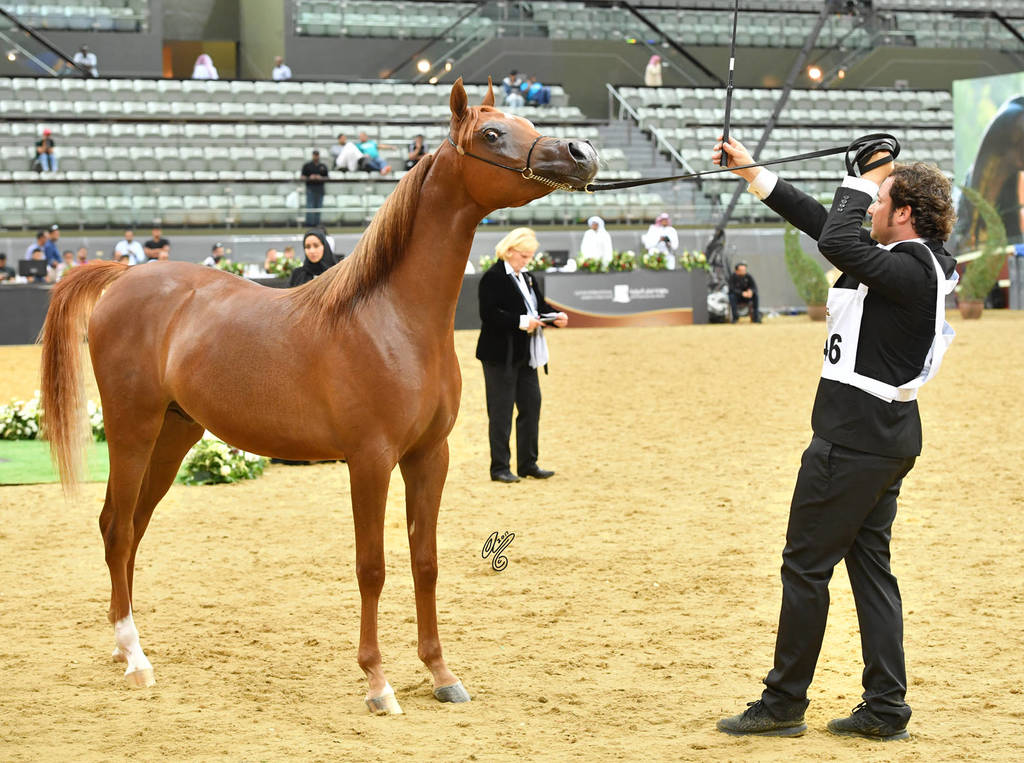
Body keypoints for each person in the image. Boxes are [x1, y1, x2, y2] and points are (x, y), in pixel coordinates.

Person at [712, 133, 958, 741]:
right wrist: (753, 174)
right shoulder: (913, 263)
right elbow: (826, 226)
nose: (871, 208)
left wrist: (868, 176)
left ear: (904, 212)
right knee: (870, 569)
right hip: (883, 437)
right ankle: (885, 707)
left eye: (881, 201)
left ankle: (784, 702)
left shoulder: (907, 267)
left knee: (804, 567)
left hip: (851, 442)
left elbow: (839, 235)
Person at [476, 228, 568, 484]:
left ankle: (528, 463)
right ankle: (500, 467)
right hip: (499, 355)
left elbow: (539, 307)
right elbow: (489, 315)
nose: (527, 261)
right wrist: (520, 321)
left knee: (531, 406)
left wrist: (555, 316)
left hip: (526, 355)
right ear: (510, 251)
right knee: (501, 411)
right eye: (524, 256)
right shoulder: (493, 278)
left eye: (529, 256)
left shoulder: (526, 277)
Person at [300, 150, 329, 227]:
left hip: (320, 188)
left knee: (318, 206)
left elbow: (327, 177)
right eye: (314, 155)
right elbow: (302, 177)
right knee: (310, 206)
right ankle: (309, 224)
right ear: (312, 155)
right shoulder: (307, 165)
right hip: (310, 188)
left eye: (317, 155)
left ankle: (317, 224)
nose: (316, 156)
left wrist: (320, 177)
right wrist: (310, 177)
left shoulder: (323, 166)